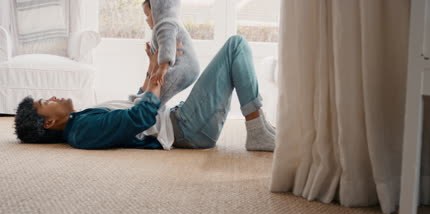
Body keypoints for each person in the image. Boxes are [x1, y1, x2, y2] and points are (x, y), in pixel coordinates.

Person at [14, 35, 276, 151]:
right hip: (187, 128)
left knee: (233, 49)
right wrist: (159, 73)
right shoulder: (82, 131)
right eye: (45, 101)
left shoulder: (80, 121)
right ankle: (256, 131)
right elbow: (139, 118)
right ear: (48, 122)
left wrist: (152, 68)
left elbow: (132, 106)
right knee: (235, 46)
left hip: (182, 121)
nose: (54, 97)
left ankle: (260, 125)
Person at [143, 0, 200, 105]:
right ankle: (146, 101)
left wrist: (163, 68)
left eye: (148, 15)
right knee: (158, 83)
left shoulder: (165, 24)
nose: (146, 20)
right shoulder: (167, 24)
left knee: (160, 83)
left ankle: (150, 105)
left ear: (156, 11)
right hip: (185, 66)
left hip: (184, 67)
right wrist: (152, 56)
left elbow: (167, 46)